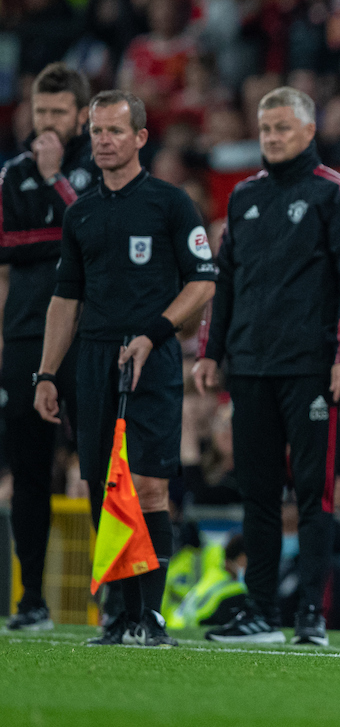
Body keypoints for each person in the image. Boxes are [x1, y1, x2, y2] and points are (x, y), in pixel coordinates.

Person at [34, 90, 217, 646]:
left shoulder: (170, 203)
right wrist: (45, 374)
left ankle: (151, 616)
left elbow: (204, 281)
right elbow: (66, 300)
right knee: (100, 489)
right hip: (93, 359)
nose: (104, 142)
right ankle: (119, 613)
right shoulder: (81, 212)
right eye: (96, 132)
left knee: (148, 485)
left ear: (140, 137)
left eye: (115, 131)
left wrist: (153, 334)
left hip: (153, 357)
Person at [195, 86, 340, 646]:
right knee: (257, 494)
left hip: (309, 368)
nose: (271, 137)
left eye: (281, 128)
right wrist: (210, 350)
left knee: (313, 495)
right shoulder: (243, 197)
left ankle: (311, 617)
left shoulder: (334, 192)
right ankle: (261, 611)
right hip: (249, 366)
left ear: (308, 130)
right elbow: (225, 282)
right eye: (265, 129)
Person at [1, 62, 98, 631]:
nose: (47, 123)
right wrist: (55, 238)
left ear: (82, 116)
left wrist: (57, 179)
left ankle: (111, 598)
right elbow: (4, 243)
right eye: (41, 112)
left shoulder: (97, 166)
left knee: (98, 468)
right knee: (29, 469)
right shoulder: (11, 174)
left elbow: (91, 230)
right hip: (25, 336)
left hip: (87, 337)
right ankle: (31, 598)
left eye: (59, 112)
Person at [172, 535, 249, 628]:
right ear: (240, 557)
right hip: (188, 626)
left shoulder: (215, 576)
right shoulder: (225, 585)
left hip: (180, 623)